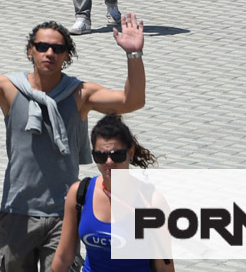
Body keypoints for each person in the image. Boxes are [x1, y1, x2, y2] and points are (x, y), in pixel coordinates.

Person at [0, 2, 146, 272]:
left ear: (67, 56)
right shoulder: (8, 89)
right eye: (42, 47)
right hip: (17, 211)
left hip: (64, 215)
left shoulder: (79, 94)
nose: (49, 53)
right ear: (29, 51)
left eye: (58, 49)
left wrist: (134, 54)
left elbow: (133, 100)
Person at [51, 115, 170, 272]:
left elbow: (164, 267)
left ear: (131, 153)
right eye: (101, 156)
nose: (108, 162)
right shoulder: (80, 194)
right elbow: (63, 256)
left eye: (117, 155)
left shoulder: (152, 203)